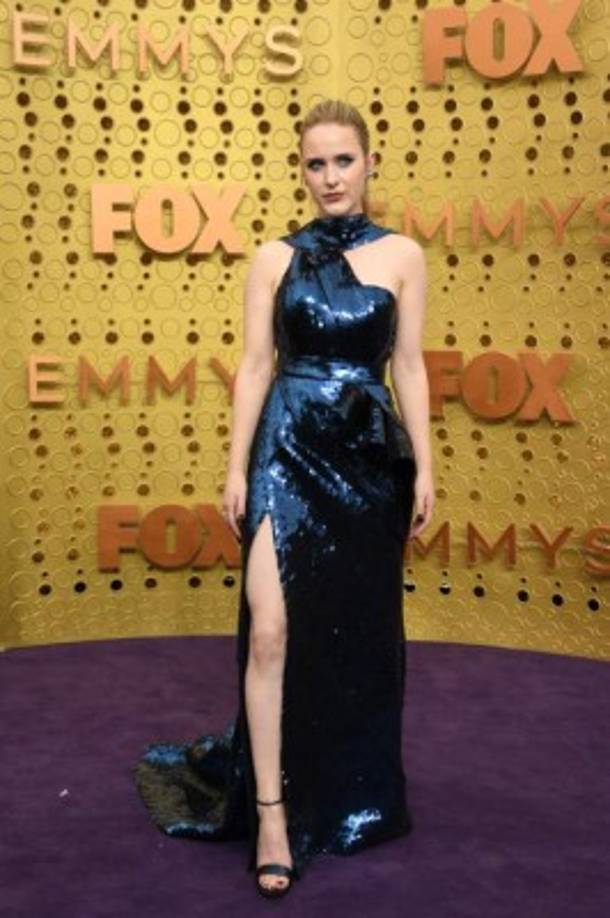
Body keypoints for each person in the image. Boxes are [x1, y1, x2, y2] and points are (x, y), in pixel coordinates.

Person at [132, 98, 433, 899]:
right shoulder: (273, 257)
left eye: (343, 160)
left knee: (351, 636)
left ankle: (345, 790)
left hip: (367, 462)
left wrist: (428, 468)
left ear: (370, 163)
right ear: (299, 169)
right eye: (314, 162)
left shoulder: (405, 255)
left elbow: (408, 367)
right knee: (270, 631)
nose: (329, 176)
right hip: (287, 446)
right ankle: (270, 813)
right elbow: (256, 366)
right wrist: (235, 467)